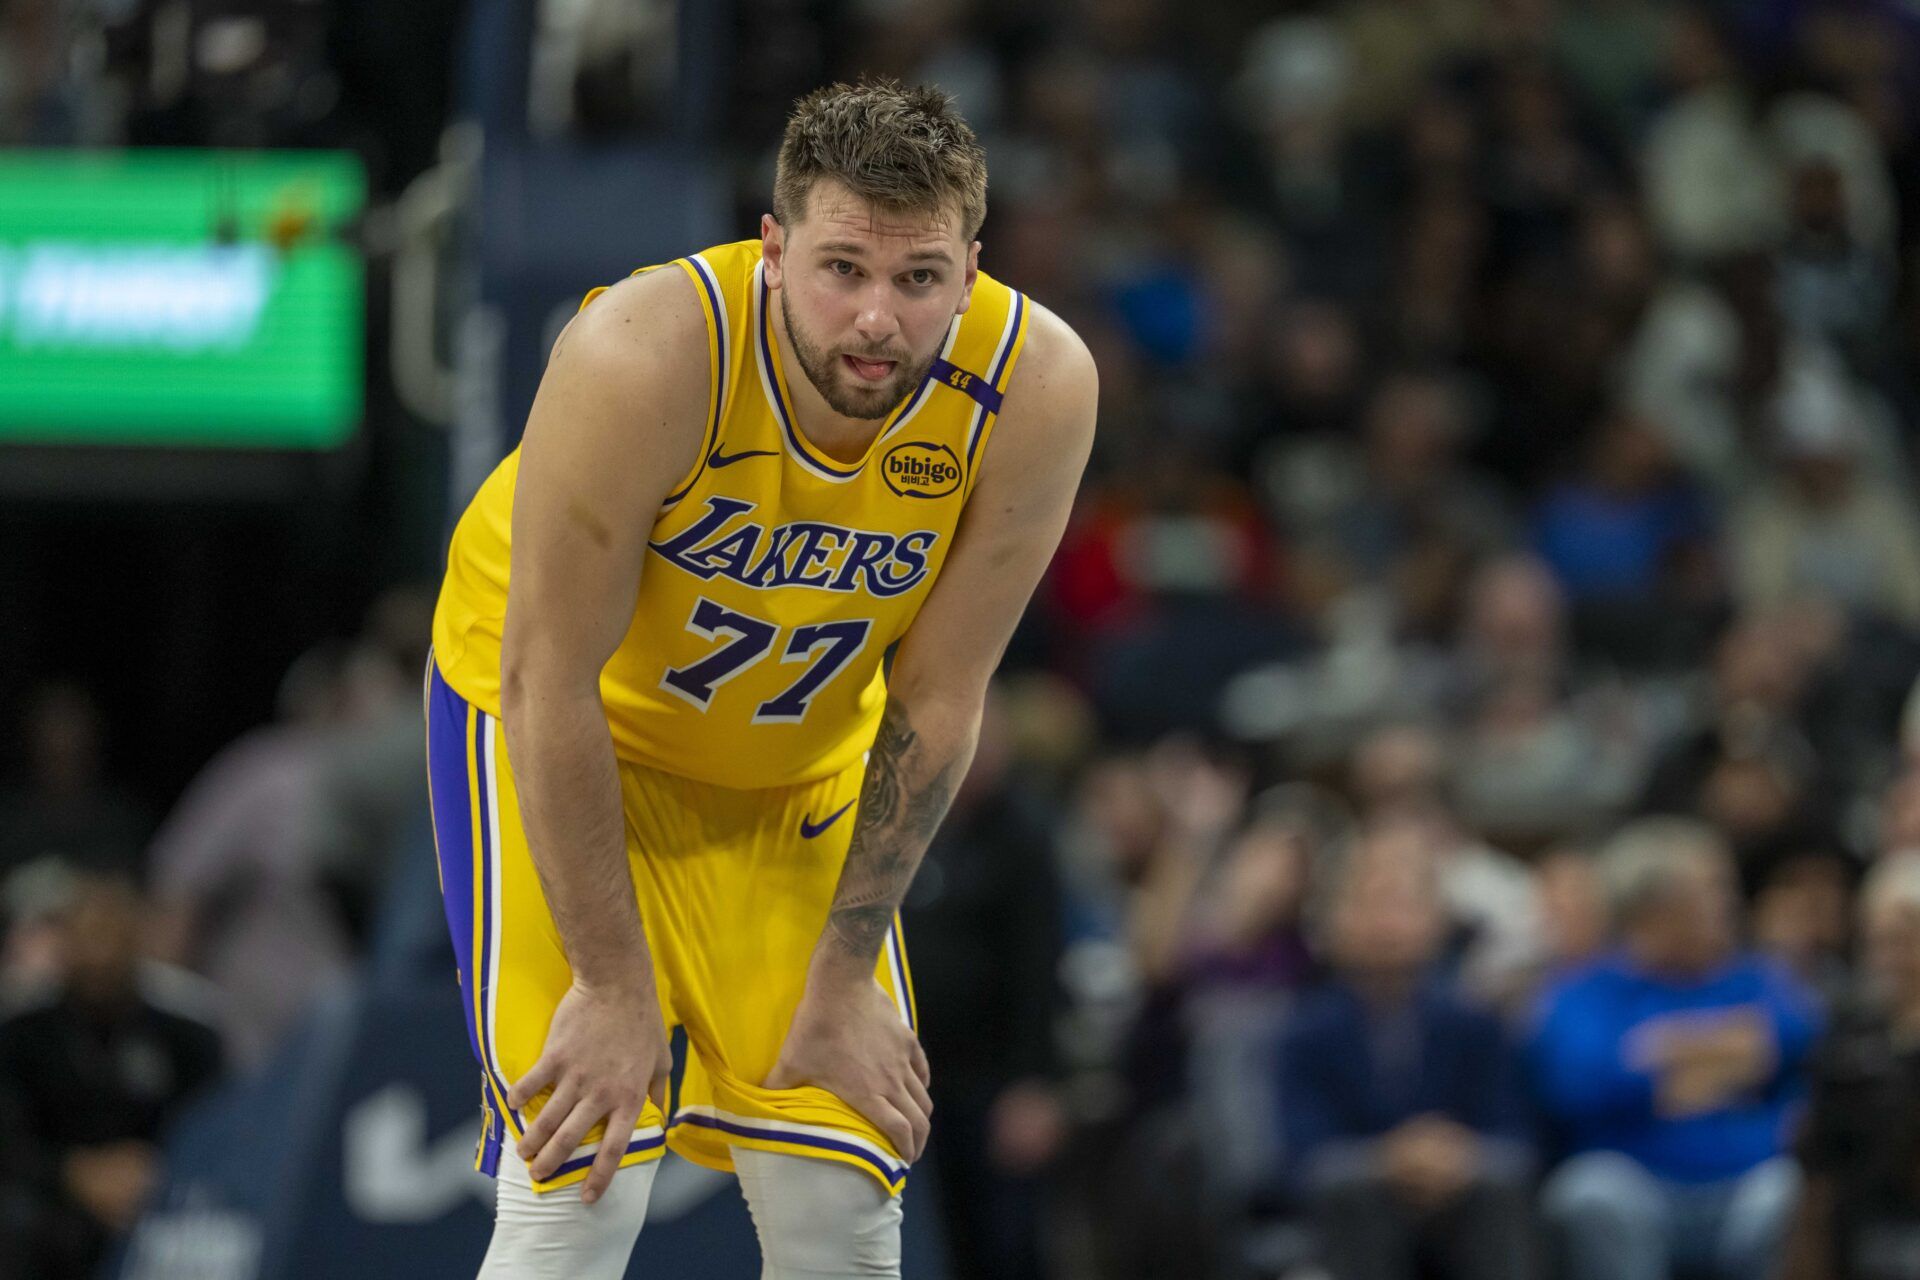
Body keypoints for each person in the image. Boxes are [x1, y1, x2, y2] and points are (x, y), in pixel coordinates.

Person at [425, 78, 1097, 1278]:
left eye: (919, 278)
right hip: (572, 728)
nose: (879, 319)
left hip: (791, 766)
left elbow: (940, 698)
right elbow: (548, 678)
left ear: (973, 266)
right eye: (843, 267)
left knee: (840, 1205)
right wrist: (611, 981)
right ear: (774, 249)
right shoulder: (640, 351)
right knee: (577, 1188)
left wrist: (845, 974)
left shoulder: (1038, 385)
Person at [1531, 818, 1821, 1280]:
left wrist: (1660, 1054)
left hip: (1747, 1180)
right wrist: (1731, 1053)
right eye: (1712, 888)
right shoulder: (1587, 991)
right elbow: (1578, 1085)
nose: (1730, 902)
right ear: (1654, 908)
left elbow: (1795, 1045)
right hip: (1638, 1185)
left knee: (1793, 1192)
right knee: (1590, 1192)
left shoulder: (1759, 979)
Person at [1277, 821, 1539, 1280]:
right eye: (1370, 903)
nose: (1387, 923)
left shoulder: (1476, 1023)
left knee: (1499, 1185)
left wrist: (1461, 1156)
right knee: (1347, 1186)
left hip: (1463, 1199)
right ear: (1334, 921)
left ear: (1438, 920)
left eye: (1403, 904)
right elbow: (1299, 1156)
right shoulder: (1305, 1029)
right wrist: (1386, 1159)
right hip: (1354, 1210)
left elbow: (1519, 1140)